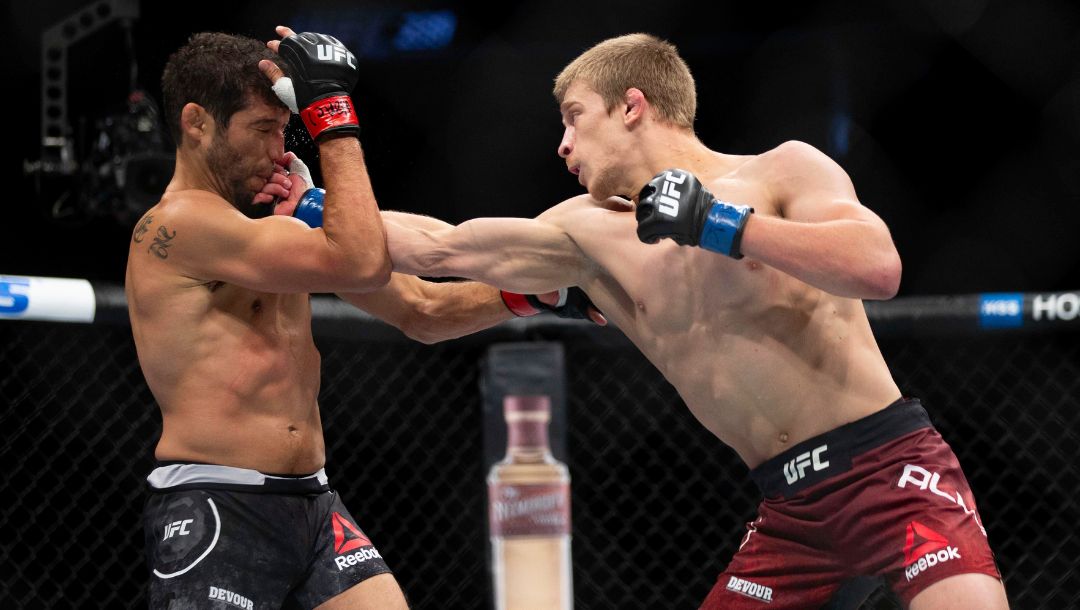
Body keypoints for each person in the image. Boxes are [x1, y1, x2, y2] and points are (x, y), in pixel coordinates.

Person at [382, 34, 1009, 609]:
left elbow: (879, 269)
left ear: (632, 106)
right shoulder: (585, 233)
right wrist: (315, 207)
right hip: (790, 512)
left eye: (575, 116)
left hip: (889, 468)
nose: (562, 144)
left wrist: (724, 225)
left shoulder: (780, 171)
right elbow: (439, 246)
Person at [126, 27, 595, 609]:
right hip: (219, 503)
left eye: (285, 129)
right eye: (262, 129)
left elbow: (424, 310)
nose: (279, 149)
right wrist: (331, 117)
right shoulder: (179, 228)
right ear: (198, 123)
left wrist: (534, 295)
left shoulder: (274, 229)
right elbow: (362, 258)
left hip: (315, 504)